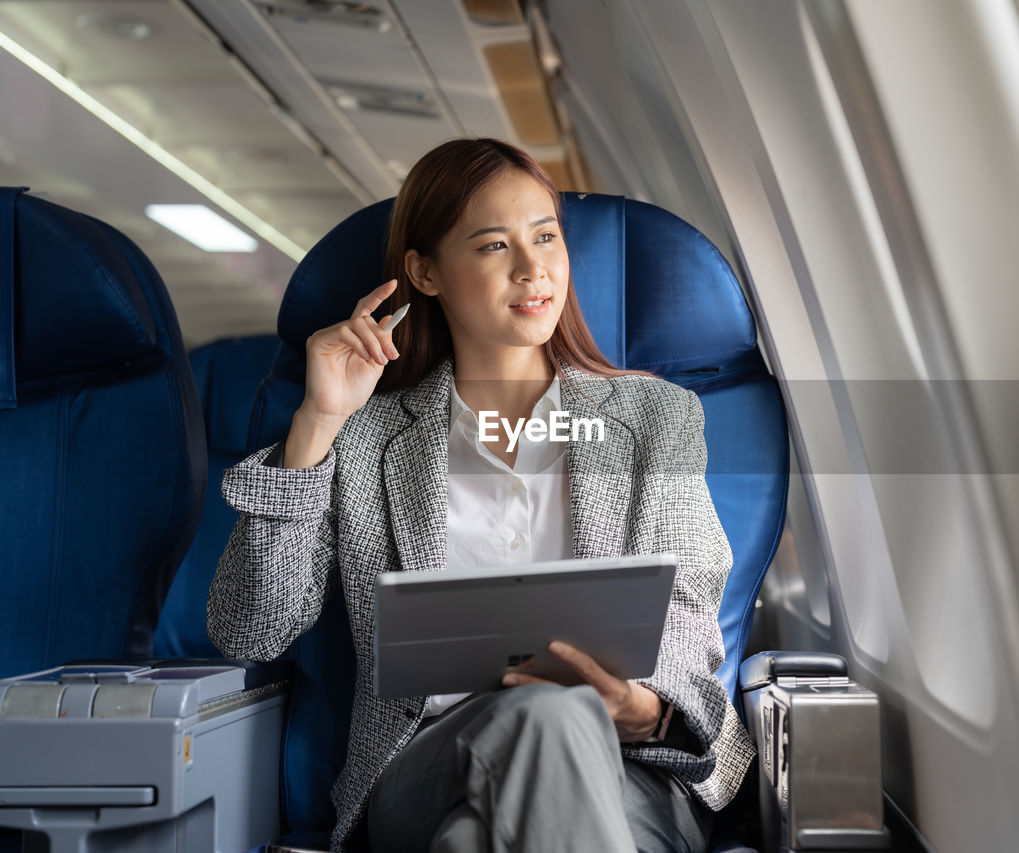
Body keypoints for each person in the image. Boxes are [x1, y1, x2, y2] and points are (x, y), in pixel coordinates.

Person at [207, 138, 754, 852]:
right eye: (496, 246)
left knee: (470, 839)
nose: (534, 270)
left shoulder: (655, 419)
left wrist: (643, 710)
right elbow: (250, 628)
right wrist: (317, 423)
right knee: (539, 716)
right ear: (425, 272)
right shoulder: (368, 438)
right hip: (427, 763)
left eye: (546, 238)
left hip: (624, 773)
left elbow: (684, 616)